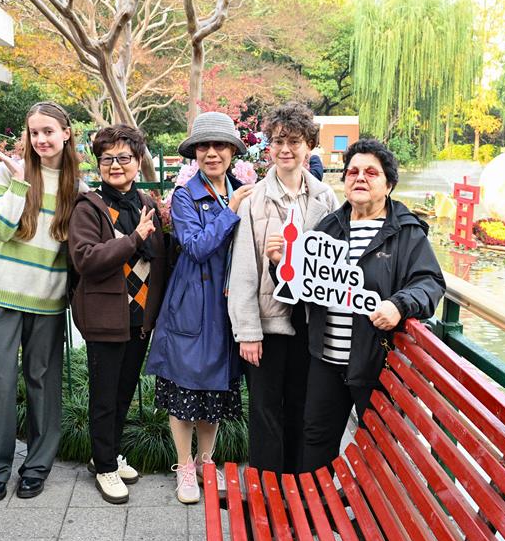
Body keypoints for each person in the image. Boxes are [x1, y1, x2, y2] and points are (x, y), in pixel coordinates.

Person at [266, 138, 445, 473]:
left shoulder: (406, 233)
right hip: (326, 361)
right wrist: (281, 264)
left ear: (388, 185)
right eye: (352, 172)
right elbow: (303, 288)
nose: (360, 178)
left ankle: (368, 507)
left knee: (379, 447)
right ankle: (317, 503)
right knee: (315, 439)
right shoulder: (329, 227)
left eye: (371, 173)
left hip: (377, 363)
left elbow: (430, 283)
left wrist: (399, 305)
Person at [0, 101, 87, 502]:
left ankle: (36, 468)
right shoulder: (8, 171)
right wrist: (20, 182)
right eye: (34, 132)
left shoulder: (77, 186)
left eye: (48, 131)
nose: (40, 139)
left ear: (66, 134)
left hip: (46, 297)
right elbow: (1, 230)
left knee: (44, 383)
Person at [144, 112, 254, 504]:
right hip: (192, 303)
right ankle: (185, 466)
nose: (212, 153)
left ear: (232, 151)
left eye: (220, 145)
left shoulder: (242, 190)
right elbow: (196, 247)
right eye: (204, 146)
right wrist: (231, 209)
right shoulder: (186, 196)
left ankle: (208, 463)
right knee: (185, 388)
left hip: (229, 304)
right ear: (194, 152)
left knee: (215, 391)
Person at [228, 102, 338, 474]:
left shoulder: (326, 198)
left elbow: (335, 264)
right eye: (277, 141)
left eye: (294, 141)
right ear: (269, 146)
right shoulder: (254, 199)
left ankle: (296, 487)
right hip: (268, 324)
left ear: (309, 146)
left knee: (302, 408)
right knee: (265, 411)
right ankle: (267, 490)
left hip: (310, 322)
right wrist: (247, 331)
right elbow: (243, 269)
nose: (285, 149)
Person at [68, 125, 169, 504]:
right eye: (107, 158)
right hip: (104, 316)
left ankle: (105, 455)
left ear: (138, 161)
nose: (115, 165)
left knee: (124, 392)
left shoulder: (145, 203)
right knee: (104, 396)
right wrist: (134, 238)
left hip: (138, 317)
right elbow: (86, 259)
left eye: (124, 157)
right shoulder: (88, 207)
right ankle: (105, 467)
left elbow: (159, 257)